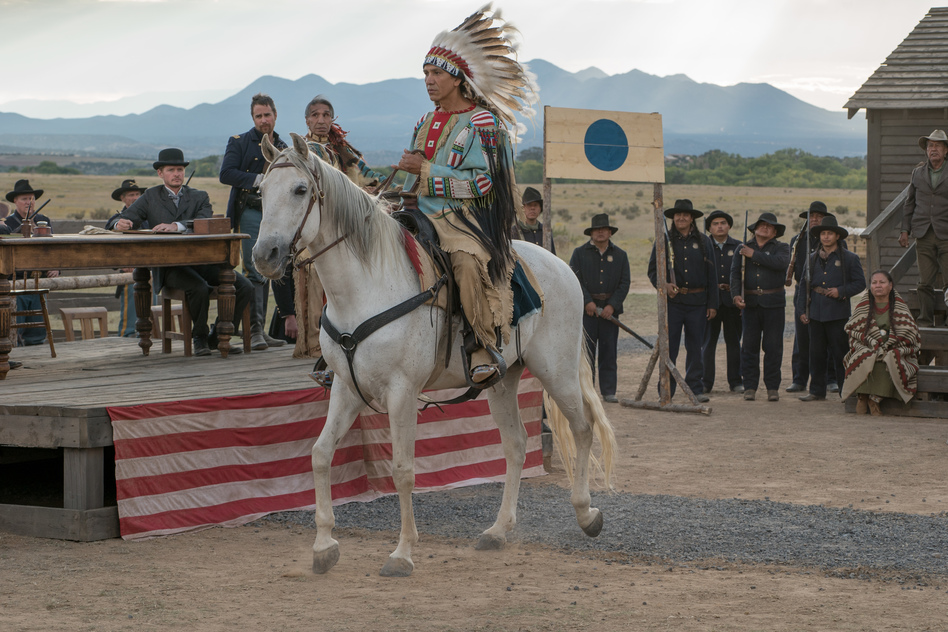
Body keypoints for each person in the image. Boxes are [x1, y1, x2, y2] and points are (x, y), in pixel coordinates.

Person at [396, 6, 537, 386]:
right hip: (418, 212)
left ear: (457, 79)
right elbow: (411, 173)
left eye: (436, 73)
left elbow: (483, 183)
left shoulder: (484, 124)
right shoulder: (424, 122)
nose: (428, 80)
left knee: (464, 260)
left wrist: (424, 172)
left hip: (464, 219)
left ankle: (481, 344)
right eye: (425, 73)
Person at [114, 148, 253, 357]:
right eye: (171, 170)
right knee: (198, 288)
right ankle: (200, 337)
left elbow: (203, 222)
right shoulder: (151, 196)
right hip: (170, 267)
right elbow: (125, 217)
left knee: (245, 286)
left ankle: (219, 335)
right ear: (161, 174)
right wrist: (119, 223)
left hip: (202, 262)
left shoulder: (199, 196)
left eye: (180, 169)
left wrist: (176, 226)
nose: (177, 174)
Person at [219, 93, 288, 351]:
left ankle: (261, 330)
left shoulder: (283, 146)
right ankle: (255, 331)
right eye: (258, 116)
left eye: (267, 115)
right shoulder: (239, 142)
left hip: (275, 213)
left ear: (275, 115)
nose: (263, 120)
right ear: (253, 118)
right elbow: (226, 173)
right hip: (249, 210)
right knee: (253, 266)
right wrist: (258, 180)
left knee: (270, 266)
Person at [647, 199, 718, 402]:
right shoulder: (663, 241)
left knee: (696, 347)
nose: (681, 218)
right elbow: (653, 271)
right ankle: (666, 391)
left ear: (692, 218)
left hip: (698, 303)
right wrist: (664, 285)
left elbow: (711, 276)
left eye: (685, 215)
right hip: (674, 305)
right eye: (678, 215)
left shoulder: (705, 242)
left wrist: (712, 304)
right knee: (670, 348)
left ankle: (695, 388)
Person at [797, 216, 866, 402]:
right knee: (816, 354)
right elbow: (804, 285)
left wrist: (841, 291)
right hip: (816, 313)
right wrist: (802, 310)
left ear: (837, 236)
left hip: (838, 313)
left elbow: (860, 283)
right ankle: (817, 391)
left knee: (841, 354)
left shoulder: (850, 258)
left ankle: (847, 391)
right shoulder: (811, 258)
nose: (826, 237)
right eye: (823, 233)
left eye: (829, 233)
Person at [571, 214, 631, 403]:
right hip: (587, 312)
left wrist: (612, 306)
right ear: (591, 232)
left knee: (609, 353)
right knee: (586, 355)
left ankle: (608, 391)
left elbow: (625, 283)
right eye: (597, 229)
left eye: (604, 229)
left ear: (610, 232)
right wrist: (587, 302)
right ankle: (587, 392)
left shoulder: (621, 255)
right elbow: (575, 280)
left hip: (609, 314)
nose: (600, 232)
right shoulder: (579, 253)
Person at [842, 270, 920, 415]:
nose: (878, 285)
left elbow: (909, 332)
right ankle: (862, 397)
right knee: (864, 356)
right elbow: (854, 331)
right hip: (868, 346)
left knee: (891, 359)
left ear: (890, 286)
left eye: (882, 282)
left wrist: (888, 344)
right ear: (870, 286)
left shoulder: (900, 307)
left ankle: (874, 399)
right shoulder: (863, 307)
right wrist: (872, 343)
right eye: (874, 282)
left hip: (894, 347)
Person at [731, 212, 790, 402]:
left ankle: (772, 388)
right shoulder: (743, 248)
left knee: (773, 347)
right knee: (749, 347)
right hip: (750, 304)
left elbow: (780, 264)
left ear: (774, 232)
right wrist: (736, 295)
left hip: (774, 304)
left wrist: (754, 255)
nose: (765, 228)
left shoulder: (782, 248)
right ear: (755, 229)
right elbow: (734, 275)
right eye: (761, 225)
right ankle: (750, 387)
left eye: (769, 226)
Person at [899, 129, 948, 327]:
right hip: (923, 233)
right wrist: (905, 230)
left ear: (946, 150)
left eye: (937, 145)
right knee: (924, 280)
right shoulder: (917, 173)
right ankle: (925, 320)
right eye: (930, 146)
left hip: (946, 233)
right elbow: (909, 203)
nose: (933, 149)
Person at [4, 179, 59, 346]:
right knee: (15, 328)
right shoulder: (7, 224)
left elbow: (52, 249)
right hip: (16, 282)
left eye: (32, 199)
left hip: (38, 281)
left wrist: (55, 267)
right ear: (15, 201)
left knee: (37, 332)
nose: (29, 202)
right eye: (24, 199)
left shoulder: (44, 221)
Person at [786, 202, 833, 393]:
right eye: (811, 216)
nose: (814, 219)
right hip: (802, 291)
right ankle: (799, 379)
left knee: (827, 337)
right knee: (802, 338)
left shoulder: (833, 240)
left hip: (825, 293)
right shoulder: (797, 240)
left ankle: (830, 379)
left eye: (819, 216)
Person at [701, 209, 742, 394]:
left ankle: (735, 381)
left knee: (734, 343)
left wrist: (740, 298)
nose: (719, 226)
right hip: (710, 302)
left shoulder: (739, 247)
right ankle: (705, 382)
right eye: (715, 223)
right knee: (708, 343)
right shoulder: (702, 246)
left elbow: (744, 276)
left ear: (729, 226)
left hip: (733, 302)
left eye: (723, 223)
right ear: (709, 227)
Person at [303, 95, 383, 189]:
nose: (321, 121)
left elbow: (368, 175)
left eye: (326, 115)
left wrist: (396, 188)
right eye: (315, 115)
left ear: (331, 120)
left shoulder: (342, 150)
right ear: (307, 121)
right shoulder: (303, 150)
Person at [105, 179, 148, 337]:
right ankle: (127, 337)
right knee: (130, 319)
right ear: (122, 198)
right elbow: (111, 227)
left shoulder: (149, 217)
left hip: (150, 271)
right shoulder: (118, 218)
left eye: (137, 194)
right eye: (131, 195)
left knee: (152, 310)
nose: (135, 198)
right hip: (129, 273)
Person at [516, 186, 555, 254]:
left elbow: (553, 256)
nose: (532, 208)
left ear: (540, 208)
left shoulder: (545, 230)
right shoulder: (514, 231)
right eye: (529, 205)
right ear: (523, 208)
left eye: (535, 205)